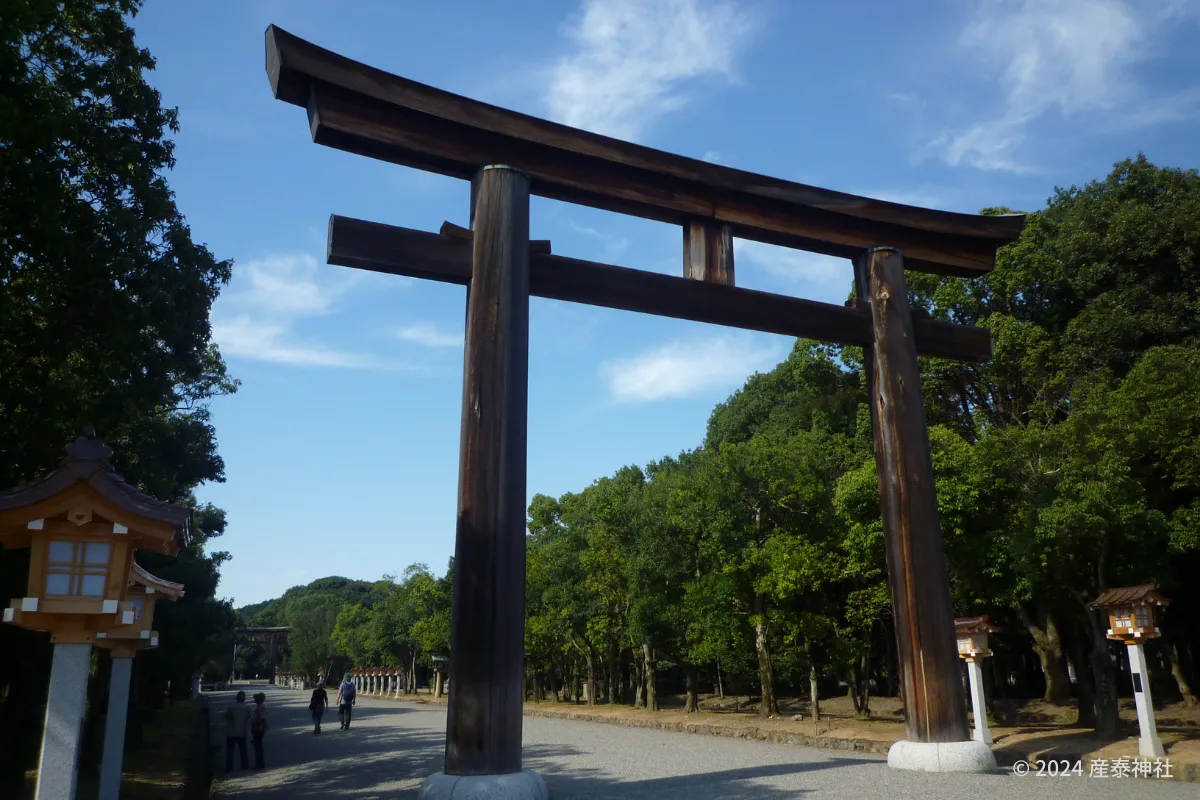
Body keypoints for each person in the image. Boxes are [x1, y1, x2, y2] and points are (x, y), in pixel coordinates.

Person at [224, 690, 251, 772]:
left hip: (231, 732)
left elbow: (226, 717)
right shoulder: (247, 708)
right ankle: (245, 765)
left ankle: (229, 766)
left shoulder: (231, 707)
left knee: (230, 750)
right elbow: (249, 718)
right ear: (244, 699)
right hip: (241, 731)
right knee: (243, 749)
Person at [250, 692, 269, 769]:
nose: (254, 700)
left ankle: (259, 764)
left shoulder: (259, 708)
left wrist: (252, 721)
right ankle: (260, 763)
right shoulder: (262, 707)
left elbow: (261, 718)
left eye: (255, 699)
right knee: (258, 746)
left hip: (258, 729)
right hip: (261, 729)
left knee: (258, 747)